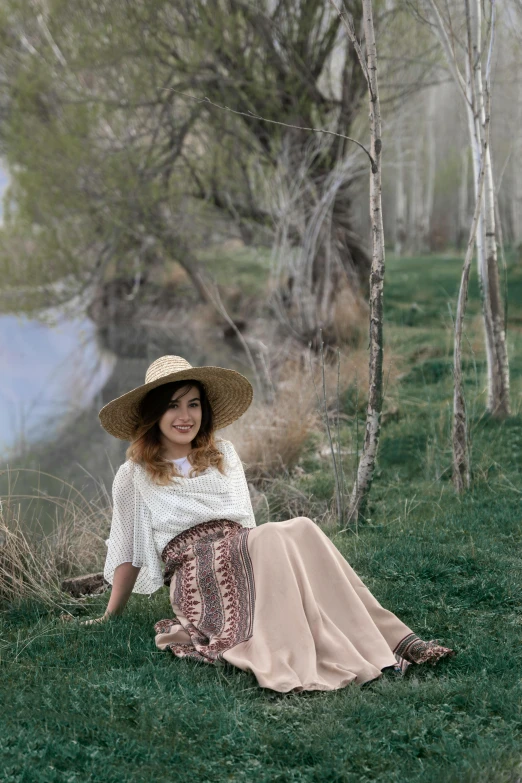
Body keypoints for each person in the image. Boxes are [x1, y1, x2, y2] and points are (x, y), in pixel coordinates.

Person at [92, 354, 454, 694]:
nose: (185, 415)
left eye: (193, 404)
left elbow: (246, 523)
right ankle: (300, 656)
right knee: (269, 537)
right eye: (172, 405)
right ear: (155, 414)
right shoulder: (134, 474)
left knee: (301, 527)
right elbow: (128, 548)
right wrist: (111, 615)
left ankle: (380, 639)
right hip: (196, 573)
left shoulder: (224, 455)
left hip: (241, 551)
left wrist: (262, 554)